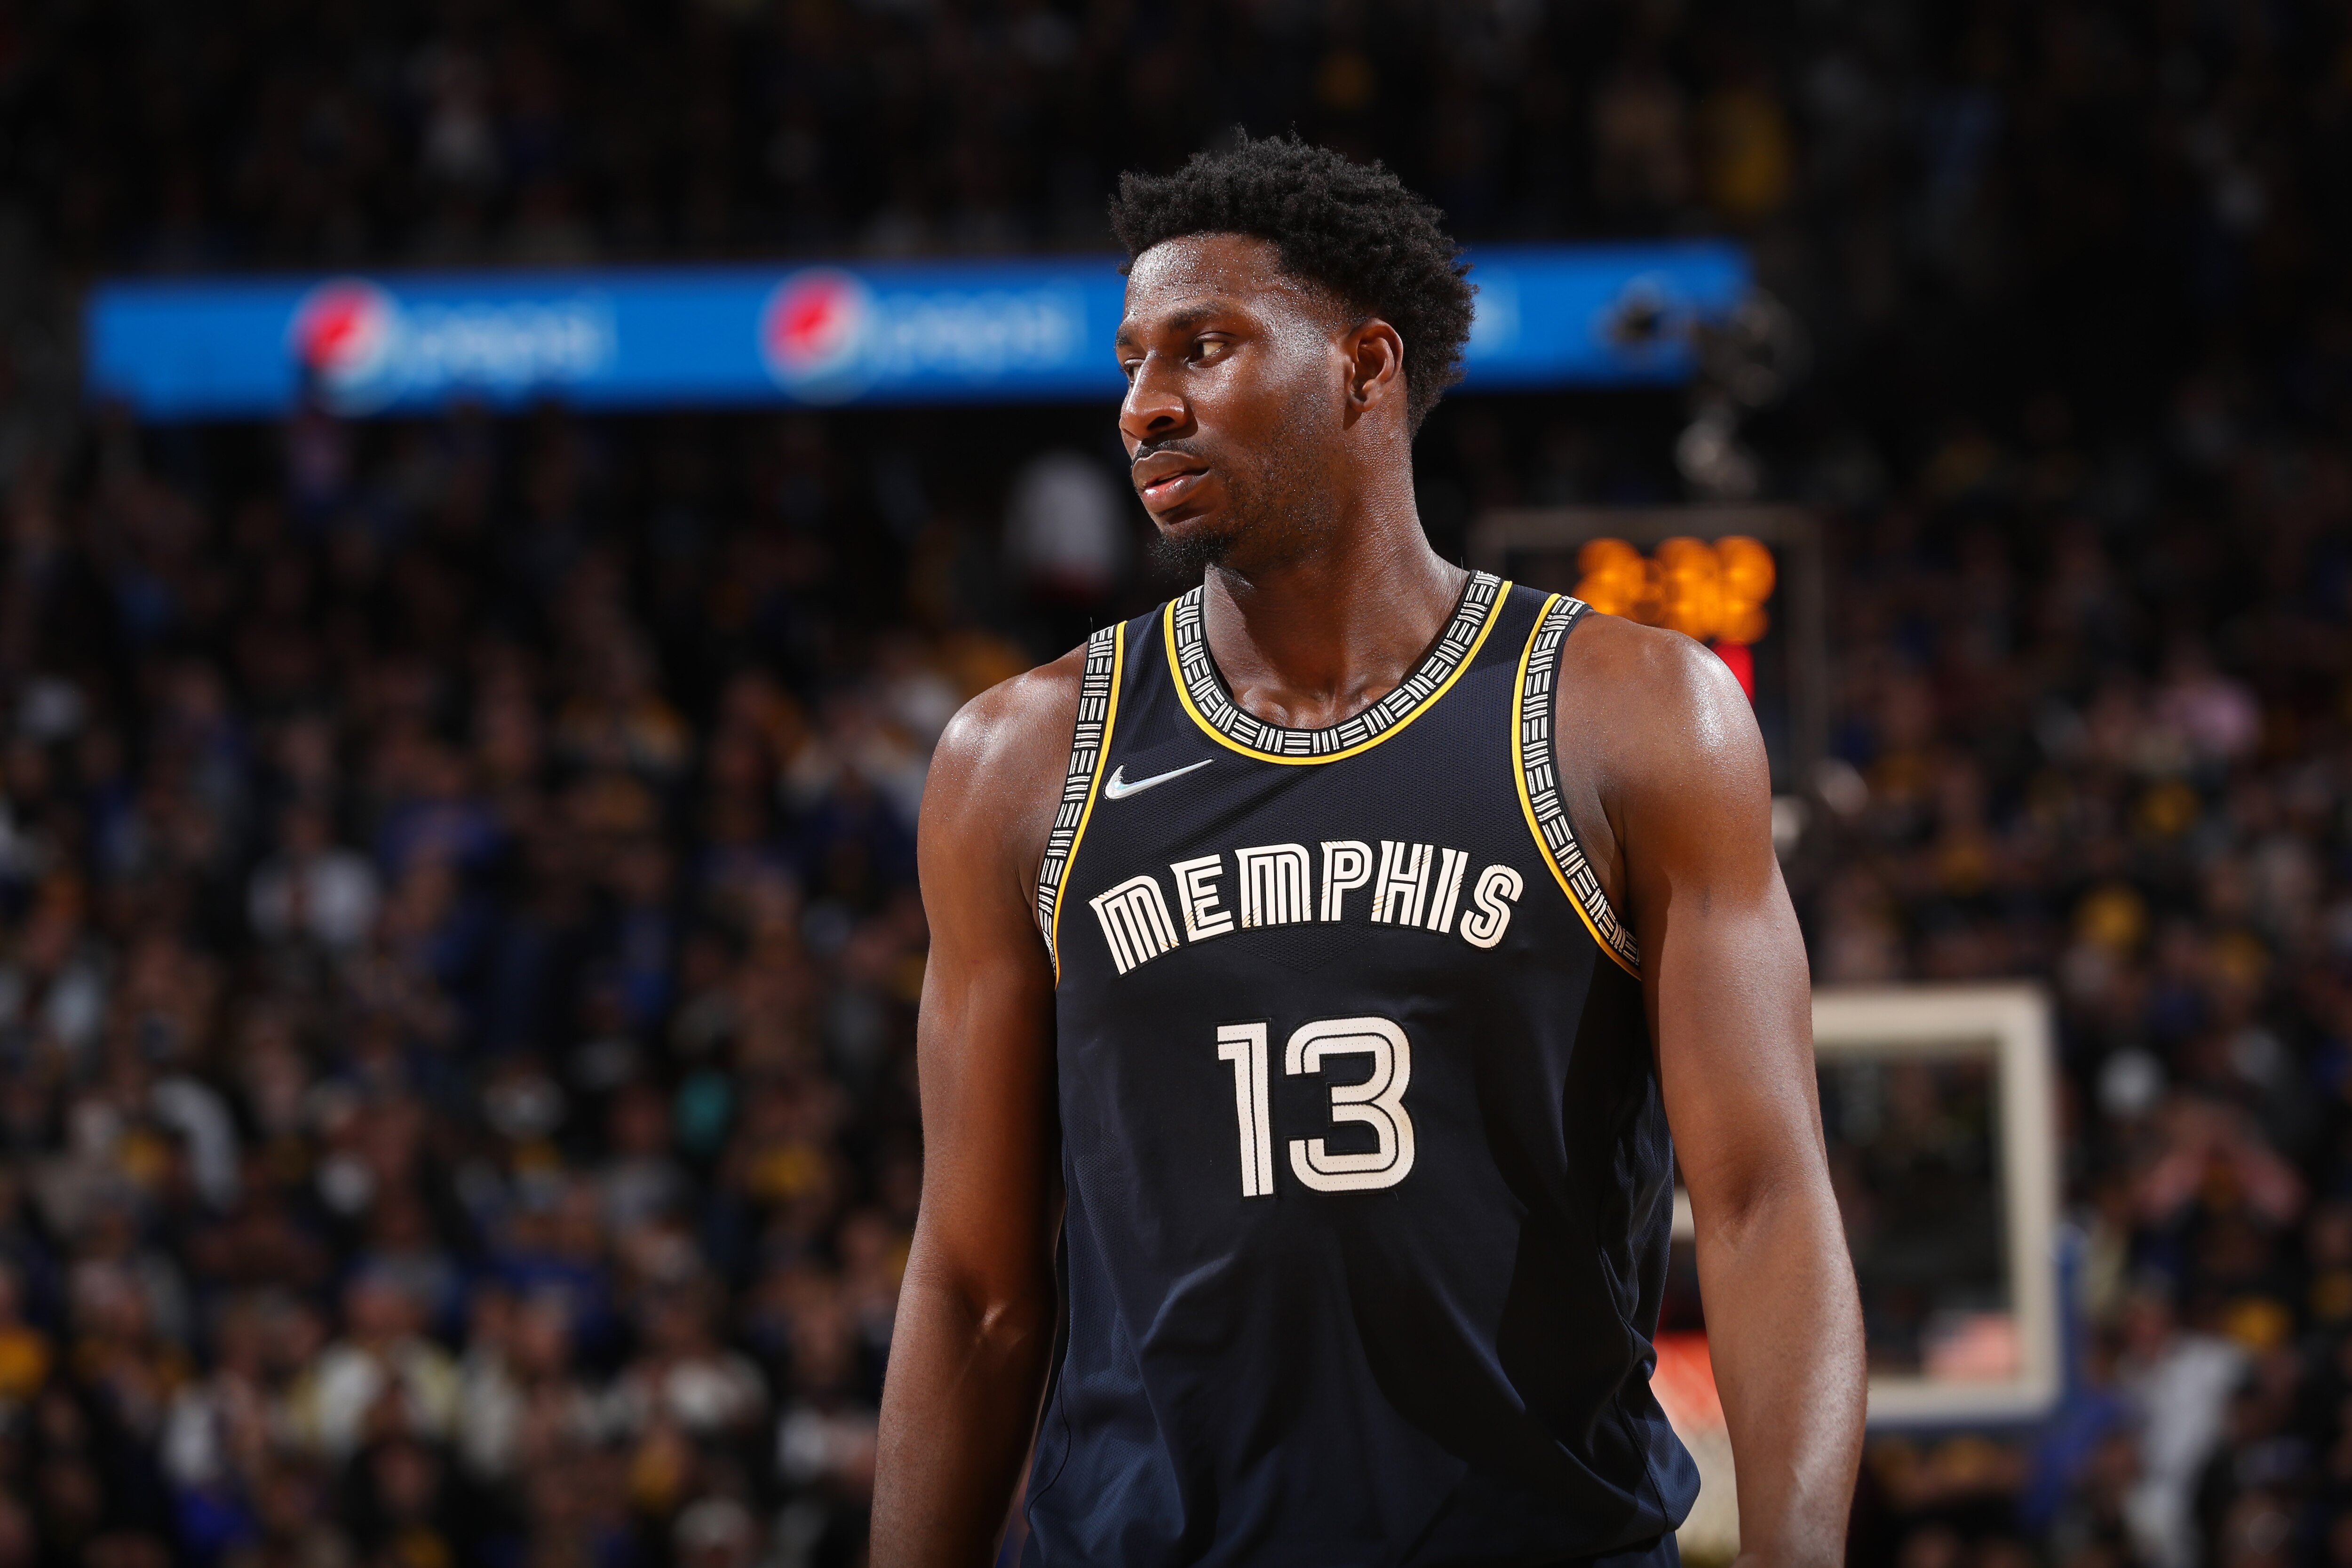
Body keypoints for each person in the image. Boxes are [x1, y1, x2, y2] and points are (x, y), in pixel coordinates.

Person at [872, 135, 1865, 1567]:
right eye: (1132, 363)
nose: (1146, 407)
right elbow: (972, 1283)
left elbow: (1768, 1205)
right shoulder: (1017, 762)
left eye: (1202, 349)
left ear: (1363, 365)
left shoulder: (1629, 716)